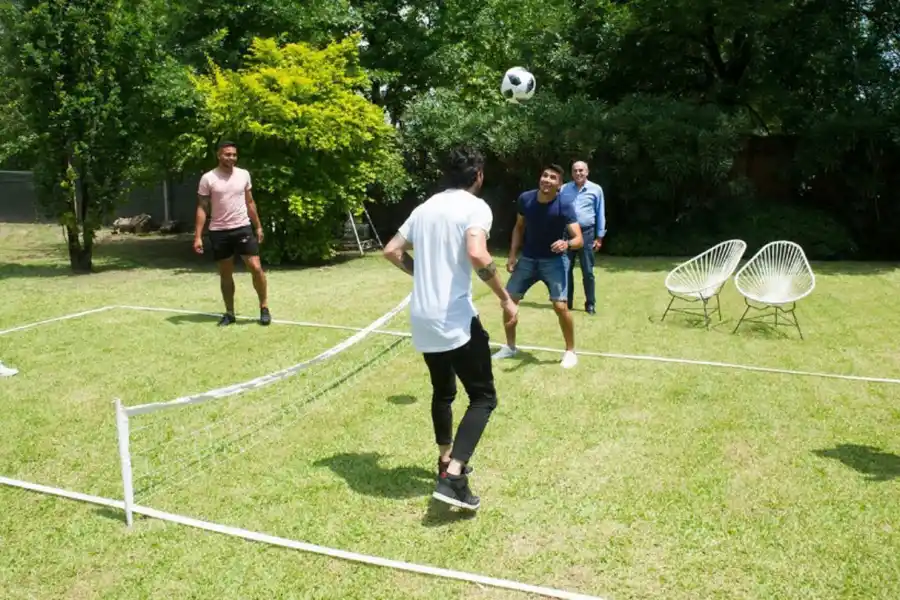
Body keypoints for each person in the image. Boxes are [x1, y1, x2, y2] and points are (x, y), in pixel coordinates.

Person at [382, 146, 518, 511]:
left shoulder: (424, 208)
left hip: (423, 316)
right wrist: (505, 297)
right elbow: (478, 253)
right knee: (483, 397)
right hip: (454, 318)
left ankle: (445, 457)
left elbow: (392, 250)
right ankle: (453, 476)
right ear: (477, 176)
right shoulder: (475, 207)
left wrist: (421, 274)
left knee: (443, 392)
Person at [492, 165, 583, 369]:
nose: (547, 180)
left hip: (555, 262)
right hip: (529, 259)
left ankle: (570, 351)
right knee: (509, 301)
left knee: (560, 306)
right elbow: (519, 227)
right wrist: (513, 255)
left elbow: (579, 239)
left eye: (553, 178)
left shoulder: (565, 205)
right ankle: (510, 346)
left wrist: (566, 244)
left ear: (559, 185)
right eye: (544, 175)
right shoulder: (526, 199)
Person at [193, 141, 271, 327]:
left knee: (256, 267)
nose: (231, 158)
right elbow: (202, 208)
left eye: (234, 155)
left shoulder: (244, 175)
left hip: (242, 227)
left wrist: (258, 226)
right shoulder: (208, 178)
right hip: (219, 231)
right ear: (219, 155)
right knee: (226, 274)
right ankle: (229, 313)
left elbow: (250, 202)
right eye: (227, 154)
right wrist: (197, 236)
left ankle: (264, 307)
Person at [558, 160, 606, 314]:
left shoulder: (596, 190)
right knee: (565, 269)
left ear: (587, 172)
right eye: (575, 170)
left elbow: (600, 213)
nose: (578, 173)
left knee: (588, 271)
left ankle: (590, 304)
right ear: (571, 173)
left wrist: (599, 237)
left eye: (581, 170)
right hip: (567, 234)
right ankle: (567, 302)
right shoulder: (564, 189)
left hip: (587, 234)